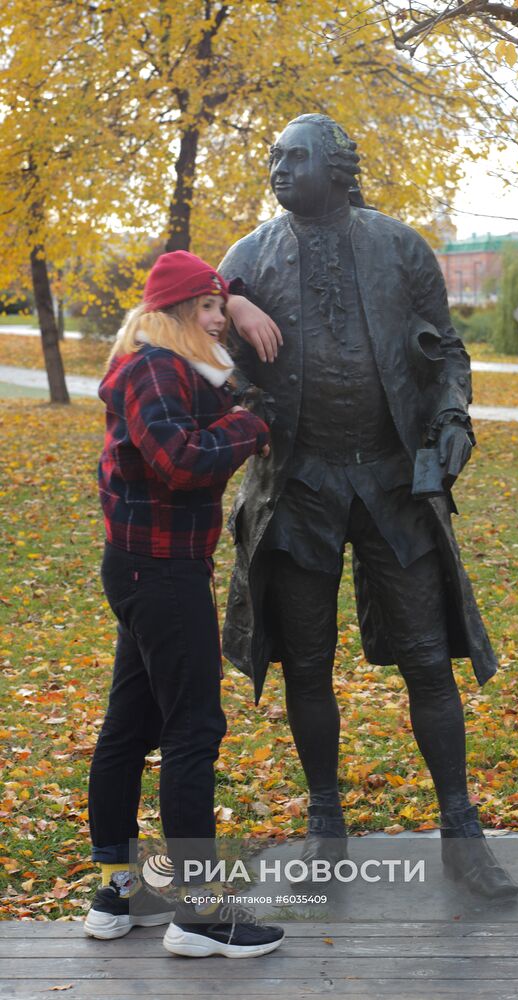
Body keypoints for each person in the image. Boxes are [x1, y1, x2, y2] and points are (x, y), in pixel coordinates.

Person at [218, 114, 518, 899]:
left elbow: (446, 349)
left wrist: (453, 416)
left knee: (427, 657)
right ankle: (326, 825)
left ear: (338, 168)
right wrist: (230, 318)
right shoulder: (247, 257)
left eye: (294, 157)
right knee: (307, 664)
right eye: (274, 156)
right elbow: (202, 339)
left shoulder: (398, 247)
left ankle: (460, 830)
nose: (278, 169)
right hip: (299, 488)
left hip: (391, 484)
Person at [84, 250, 285, 957]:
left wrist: (243, 304)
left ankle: (120, 893)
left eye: (222, 307)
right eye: (208, 308)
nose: (219, 321)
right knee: (193, 731)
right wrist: (251, 428)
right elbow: (178, 460)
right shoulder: (155, 370)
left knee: (130, 726)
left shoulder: (168, 367)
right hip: (161, 575)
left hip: (147, 571)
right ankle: (199, 917)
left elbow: (186, 433)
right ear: (173, 312)